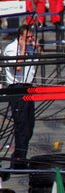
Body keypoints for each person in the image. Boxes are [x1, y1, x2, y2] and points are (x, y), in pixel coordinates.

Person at [4, 24, 37, 170]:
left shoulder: (30, 48)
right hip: (17, 88)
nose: (31, 39)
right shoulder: (12, 48)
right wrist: (22, 47)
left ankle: (20, 154)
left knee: (30, 125)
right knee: (21, 124)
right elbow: (18, 67)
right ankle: (20, 159)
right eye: (28, 37)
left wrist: (34, 45)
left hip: (28, 87)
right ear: (21, 37)